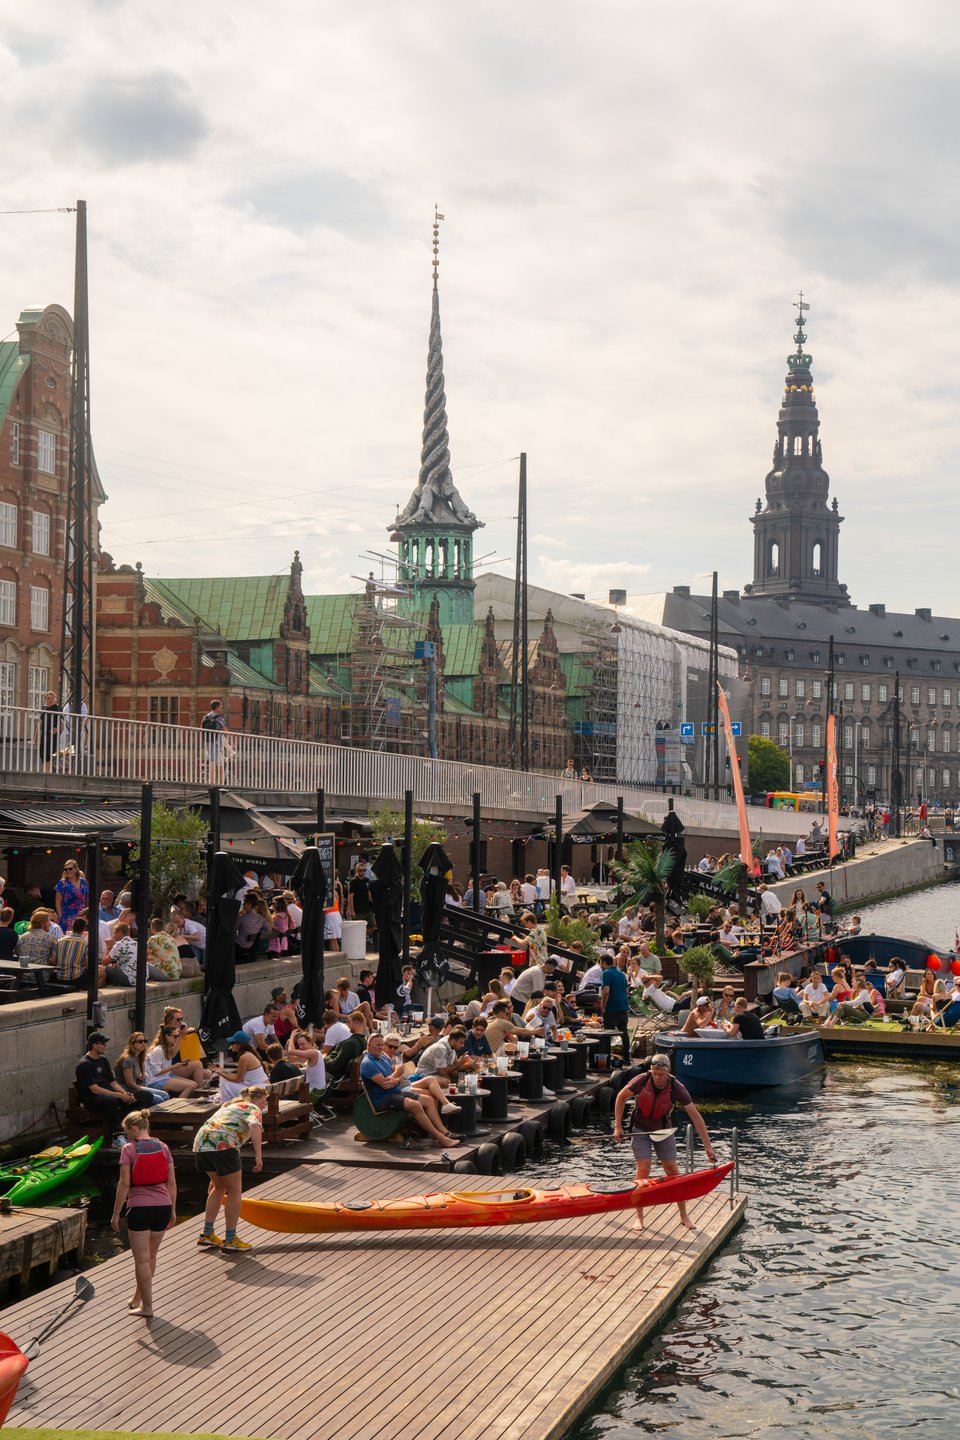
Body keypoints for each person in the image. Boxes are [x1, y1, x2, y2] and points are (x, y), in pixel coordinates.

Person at [613, 1055, 717, 1231]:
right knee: (644, 1167)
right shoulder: (641, 1080)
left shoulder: (677, 1088)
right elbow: (620, 1097)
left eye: (661, 1074)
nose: (657, 1077)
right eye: (654, 1073)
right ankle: (639, 1217)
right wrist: (618, 1127)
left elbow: (696, 1117)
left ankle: (684, 1215)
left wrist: (708, 1147)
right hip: (640, 1128)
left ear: (668, 1072)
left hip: (663, 1130)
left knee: (673, 1171)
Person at [110, 1109, 176, 1317]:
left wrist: (115, 1213)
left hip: (139, 1208)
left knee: (141, 1260)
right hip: (163, 1207)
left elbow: (124, 1183)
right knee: (151, 1256)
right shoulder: (163, 1147)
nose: (126, 1136)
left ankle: (147, 1307)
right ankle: (138, 1298)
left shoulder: (129, 1149)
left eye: (127, 1131)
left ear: (134, 1128)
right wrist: (173, 1210)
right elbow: (172, 1182)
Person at [193, 1085, 266, 1251]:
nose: (264, 1106)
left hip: (201, 1143)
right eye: (264, 1101)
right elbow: (254, 1126)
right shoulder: (252, 1107)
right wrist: (259, 1156)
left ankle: (207, 1234)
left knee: (219, 1186)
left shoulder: (229, 1106)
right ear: (255, 1099)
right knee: (234, 1191)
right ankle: (231, 1239)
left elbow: (222, 1128)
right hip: (223, 1146)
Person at [360, 1033, 459, 1148]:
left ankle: (444, 1132)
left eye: (382, 1045)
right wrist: (396, 1075)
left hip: (395, 1092)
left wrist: (395, 1078)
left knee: (428, 1100)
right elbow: (385, 1084)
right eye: (377, 1045)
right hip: (383, 1099)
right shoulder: (368, 1063)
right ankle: (440, 1138)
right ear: (369, 1045)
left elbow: (400, 1072)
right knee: (415, 1105)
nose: (381, 1047)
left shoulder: (382, 1058)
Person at [76, 1033, 138, 1143]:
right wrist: (119, 1095)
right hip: (92, 1098)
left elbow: (113, 1082)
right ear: (94, 1045)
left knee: (140, 1097)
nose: (106, 1046)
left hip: (109, 1094)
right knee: (110, 1101)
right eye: (103, 1043)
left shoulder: (103, 1060)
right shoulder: (84, 1064)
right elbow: (95, 1089)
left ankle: (132, 1129)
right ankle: (117, 1135)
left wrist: (125, 1093)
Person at [143, 1024, 207, 1096]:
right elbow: (156, 1072)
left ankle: (187, 1102)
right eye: (175, 1036)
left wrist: (181, 1037)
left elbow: (172, 1054)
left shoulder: (166, 1048)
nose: (176, 1038)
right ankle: (178, 1105)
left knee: (194, 1084)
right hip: (155, 1081)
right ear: (167, 1036)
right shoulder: (158, 1050)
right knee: (189, 1086)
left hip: (164, 1077)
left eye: (177, 1036)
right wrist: (175, 1066)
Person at [209, 1033, 269, 1102]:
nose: (231, 1045)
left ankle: (225, 1106)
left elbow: (238, 1079)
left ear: (239, 1044)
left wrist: (220, 1073)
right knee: (227, 1082)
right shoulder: (248, 1054)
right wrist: (223, 1071)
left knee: (225, 1084)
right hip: (260, 1088)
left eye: (232, 1043)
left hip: (259, 1091)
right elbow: (240, 1077)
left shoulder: (244, 1057)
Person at [115, 1033, 167, 1106]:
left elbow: (135, 1080)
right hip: (126, 1090)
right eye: (140, 1041)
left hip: (134, 1087)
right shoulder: (128, 1059)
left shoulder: (139, 1058)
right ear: (132, 1044)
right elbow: (129, 1082)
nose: (143, 1043)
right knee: (159, 1099)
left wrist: (140, 1078)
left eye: (145, 1041)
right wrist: (143, 1090)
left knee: (165, 1095)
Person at [600, 951, 630, 1057]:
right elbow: (627, 990)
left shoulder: (606, 973)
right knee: (624, 1033)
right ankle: (627, 1057)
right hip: (623, 1006)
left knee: (606, 1034)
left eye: (600, 963)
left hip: (612, 1007)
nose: (600, 966)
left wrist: (603, 1006)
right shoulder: (621, 973)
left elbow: (606, 991)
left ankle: (606, 1058)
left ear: (604, 963)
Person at [285, 1027, 326, 1097]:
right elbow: (292, 1059)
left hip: (313, 1093)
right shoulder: (314, 1053)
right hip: (318, 1091)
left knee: (286, 1094)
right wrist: (289, 1044)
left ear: (310, 1042)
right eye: (299, 1045)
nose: (300, 1047)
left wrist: (292, 1037)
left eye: (302, 1044)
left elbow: (291, 1051)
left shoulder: (313, 1053)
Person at [55, 860, 89, 931]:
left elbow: (87, 898)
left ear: (76, 869)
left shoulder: (84, 882)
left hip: (82, 915)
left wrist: (87, 910)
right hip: (67, 916)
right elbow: (58, 902)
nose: (68, 871)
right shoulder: (62, 883)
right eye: (66, 869)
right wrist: (61, 917)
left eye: (70, 868)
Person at [201, 698, 227, 783]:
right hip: (216, 742)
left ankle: (216, 782)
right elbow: (225, 731)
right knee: (216, 762)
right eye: (220, 707)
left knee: (216, 762)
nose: (221, 708)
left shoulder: (206, 717)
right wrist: (231, 742)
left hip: (208, 741)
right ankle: (215, 783)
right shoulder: (219, 718)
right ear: (217, 707)